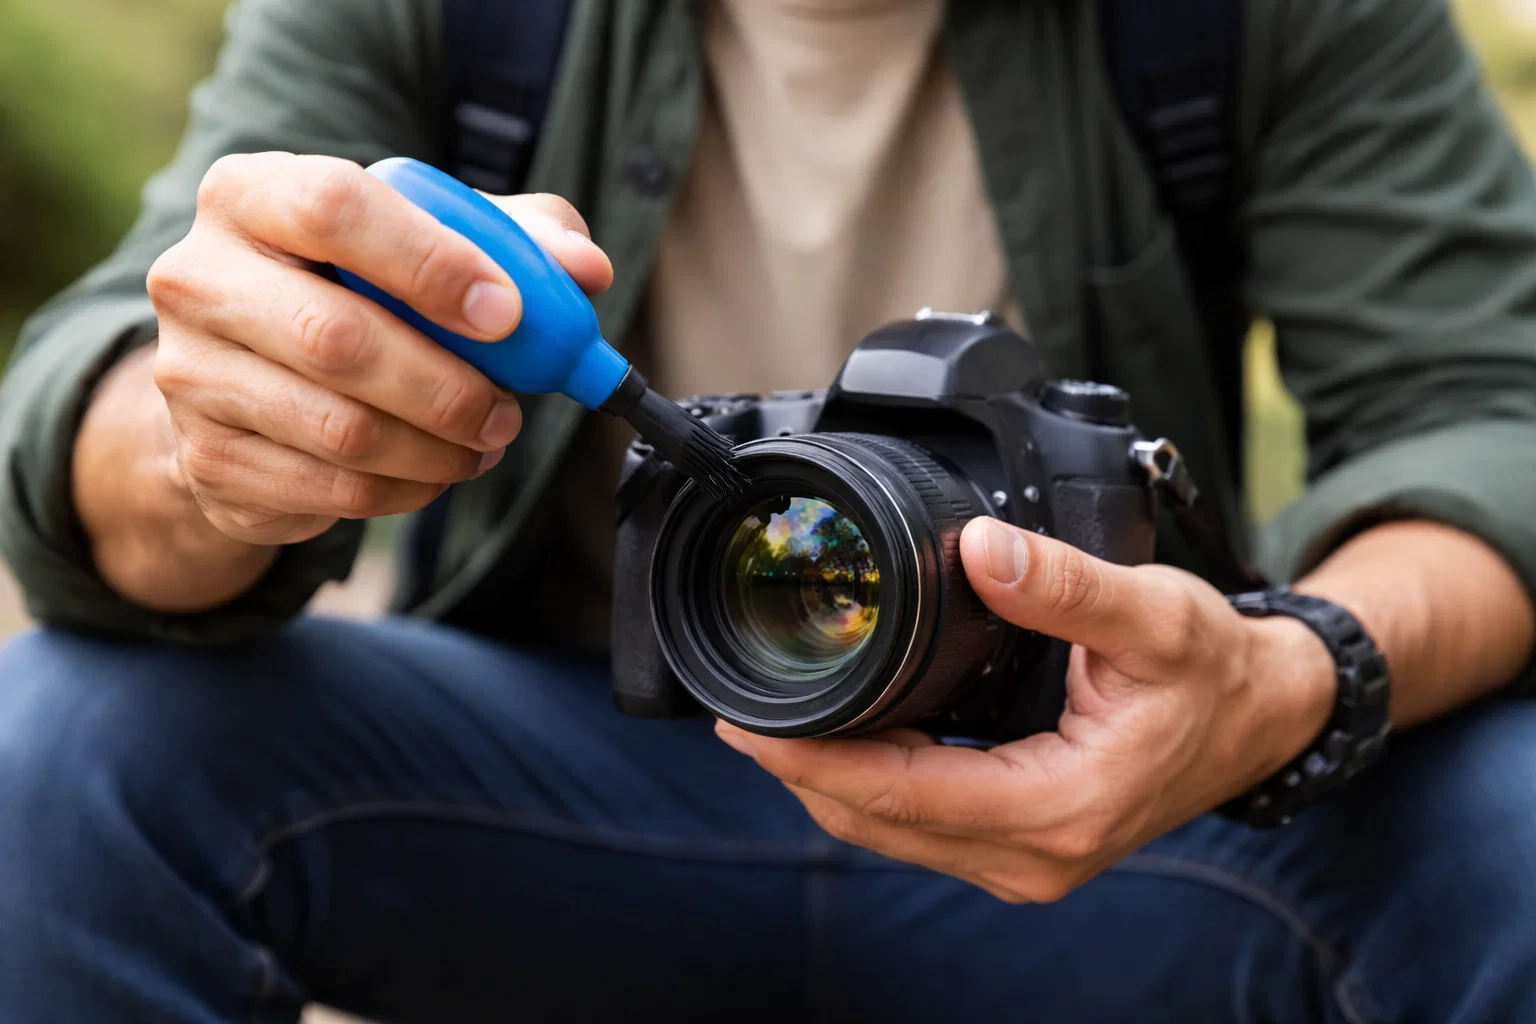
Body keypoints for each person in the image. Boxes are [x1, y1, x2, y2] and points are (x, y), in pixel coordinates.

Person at [3, 0, 1536, 1019]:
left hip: (1137, 810)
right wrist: (212, 438)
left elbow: (1490, 414)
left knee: (1513, 818)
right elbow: (118, 376)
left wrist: (1294, 673)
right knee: (61, 747)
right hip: (577, 775)